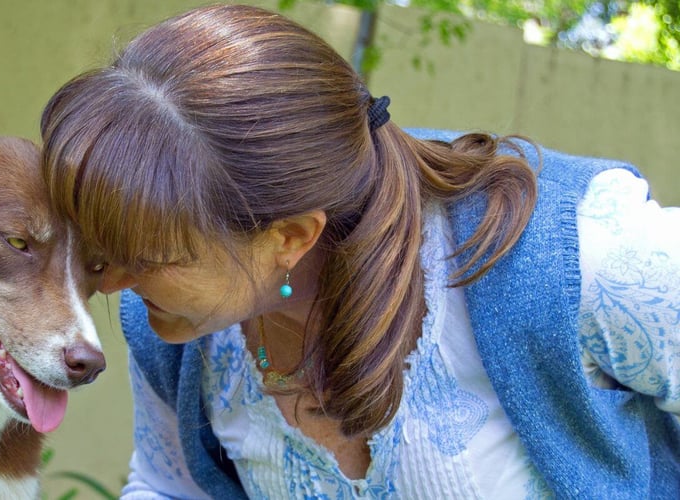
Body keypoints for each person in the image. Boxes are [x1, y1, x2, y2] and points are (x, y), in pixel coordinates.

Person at [40, 4, 680, 498]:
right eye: (100, 246)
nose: (108, 283)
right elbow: (169, 485)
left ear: (291, 237)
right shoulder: (177, 333)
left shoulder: (576, 256)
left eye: (147, 259)